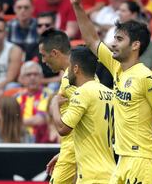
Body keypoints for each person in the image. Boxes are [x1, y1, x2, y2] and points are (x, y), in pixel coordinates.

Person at [70, 0, 152, 183]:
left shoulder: (148, 77)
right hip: (122, 161)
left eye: (119, 39)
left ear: (135, 45)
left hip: (143, 160)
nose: (113, 44)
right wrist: (77, 6)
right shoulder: (116, 67)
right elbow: (92, 39)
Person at [49, 46, 116, 183]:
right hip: (110, 173)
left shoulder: (82, 92)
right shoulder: (110, 93)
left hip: (92, 177)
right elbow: (94, 134)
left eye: (69, 66)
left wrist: (54, 105)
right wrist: (66, 154)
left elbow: (63, 129)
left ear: (75, 68)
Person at [40, 29, 76, 183]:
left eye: (43, 55)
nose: (43, 60)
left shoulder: (71, 80)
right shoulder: (75, 75)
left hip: (74, 153)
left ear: (54, 53)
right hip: (74, 151)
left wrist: (54, 104)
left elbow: (66, 128)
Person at [15, 61, 52, 143]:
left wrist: (15, 121)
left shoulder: (48, 95)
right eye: (28, 75)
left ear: (41, 77)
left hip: (39, 141)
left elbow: (39, 120)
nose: (32, 78)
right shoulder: (16, 97)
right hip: (17, 138)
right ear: (21, 79)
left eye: (36, 74)